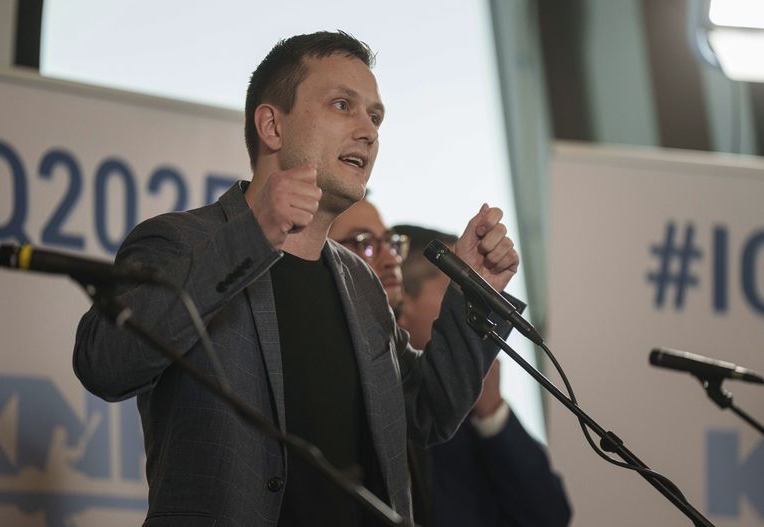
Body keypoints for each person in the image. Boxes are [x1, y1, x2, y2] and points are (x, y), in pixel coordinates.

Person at [73, 31, 520, 527]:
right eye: (342, 105)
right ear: (272, 126)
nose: (368, 132)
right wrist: (251, 235)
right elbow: (104, 364)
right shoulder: (179, 241)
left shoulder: (361, 282)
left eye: (375, 117)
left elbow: (426, 411)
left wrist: (475, 292)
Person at [330, 201, 571, 526]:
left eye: (390, 244)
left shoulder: (461, 389)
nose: (466, 302)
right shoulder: (378, 388)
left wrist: (492, 414)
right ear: (405, 302)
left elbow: (550, 516)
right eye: (451, 291)